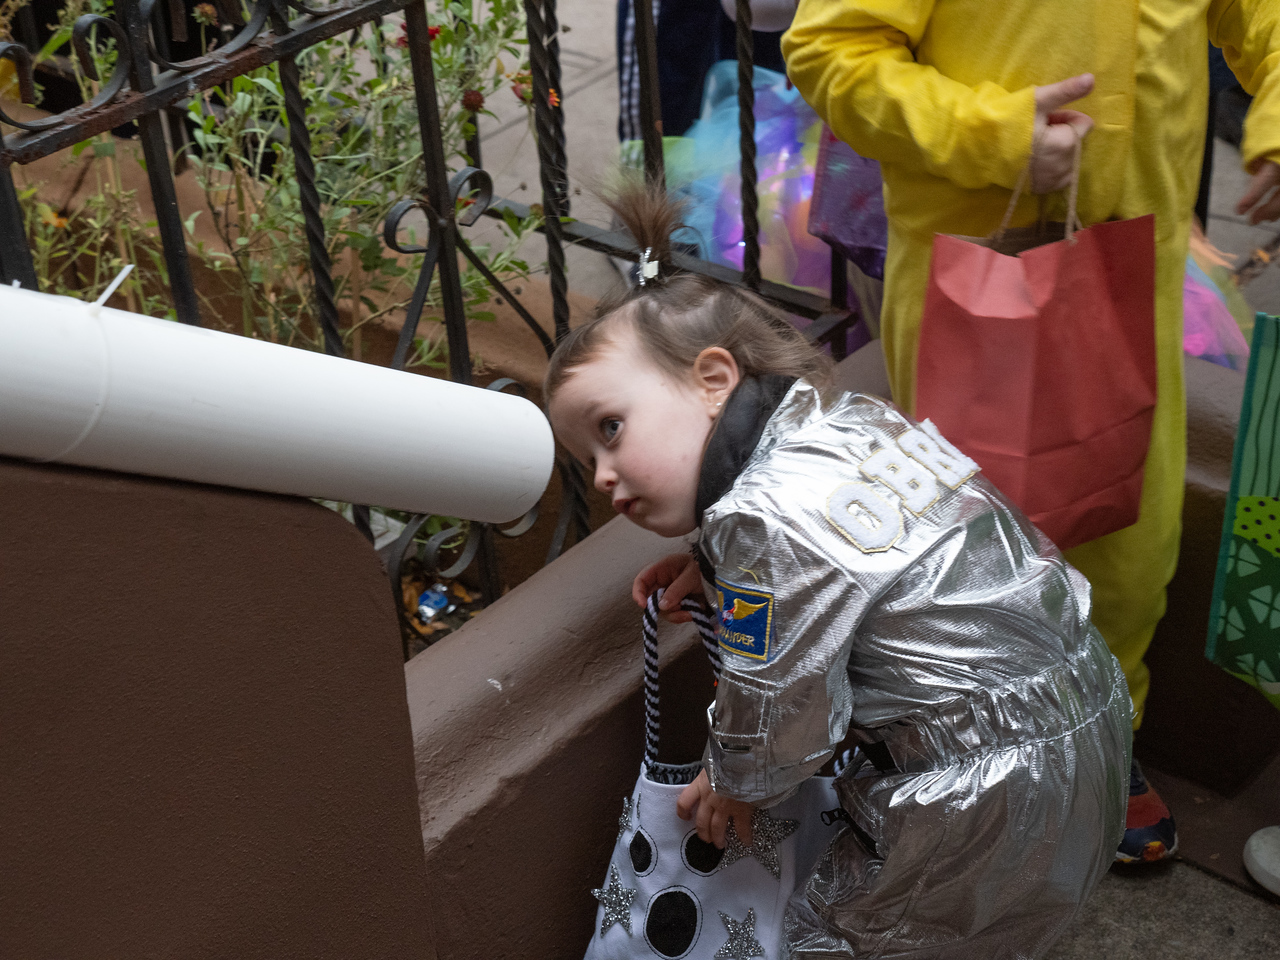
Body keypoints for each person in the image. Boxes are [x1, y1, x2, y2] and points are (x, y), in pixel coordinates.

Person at [547, 185, 1132, 959]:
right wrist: (716, 566)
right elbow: (859, 550)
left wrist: (733, 781)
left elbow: (780, 699)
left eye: (611, 429)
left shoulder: (762, 523)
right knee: (985, 935)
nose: (601, 474)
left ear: (714, 380)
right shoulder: (854, 425)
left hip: (974, 780)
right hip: (1088, 709)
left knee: (852, 939)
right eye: (586, 455)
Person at [781, 0, 1280, 864]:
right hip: (976, 282)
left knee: (1130, 543)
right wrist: (996, 134)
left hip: (1132, 278)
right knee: (968, 552)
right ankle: (968, 759)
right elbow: (831, 51)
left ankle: (1098, 745)